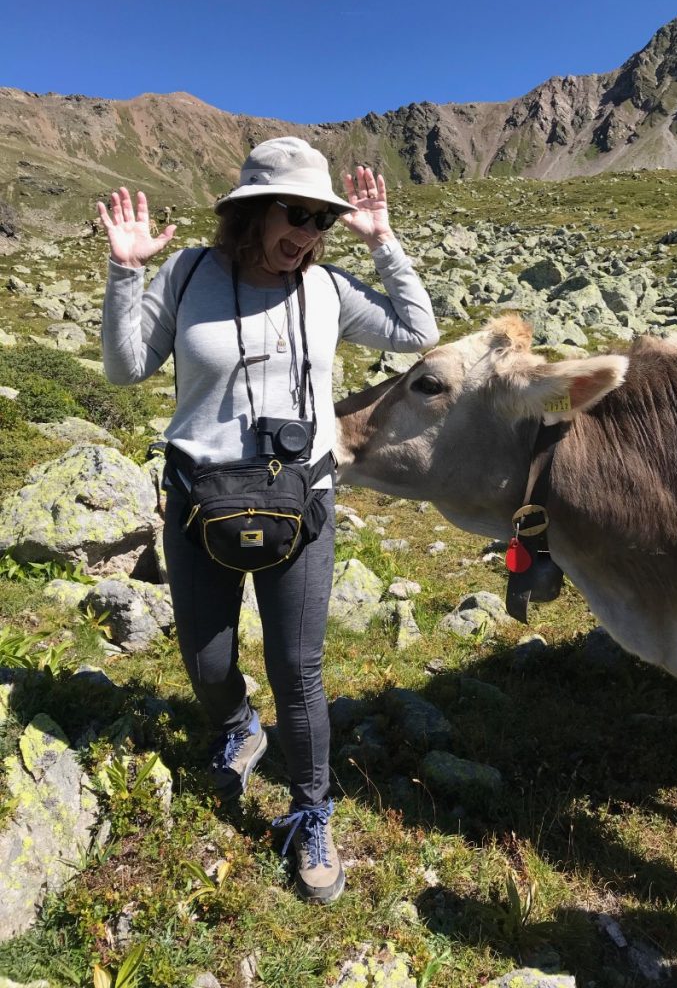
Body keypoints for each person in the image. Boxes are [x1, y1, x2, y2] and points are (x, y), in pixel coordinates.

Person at [97, 137, 439, 904]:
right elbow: (124, 368)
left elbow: (418, 332)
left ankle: (311, 812)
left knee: (299, 667)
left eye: (323, 219)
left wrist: (383, 242)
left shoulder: (328, 290)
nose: (310, 234)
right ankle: (236, 728)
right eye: (299, 215)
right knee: (207, 659)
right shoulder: (189, 274)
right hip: (198, 497)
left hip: (302, 499)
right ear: (252, 210)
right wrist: (127, 272)